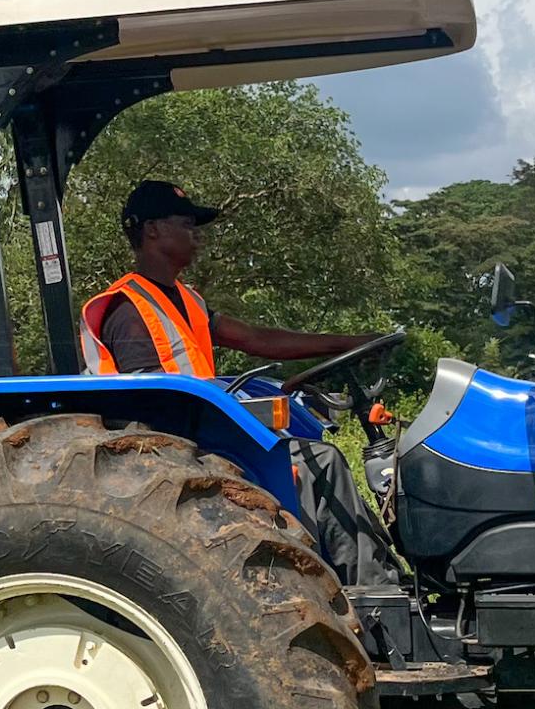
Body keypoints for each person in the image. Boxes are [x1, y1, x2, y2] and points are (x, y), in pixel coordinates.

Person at [81, 178, 400, 584]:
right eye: (186, 222)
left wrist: (352, 343)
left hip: (206, 438)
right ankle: (372, 591)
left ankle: (375, 581)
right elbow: (149, 404)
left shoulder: (186, 299)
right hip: (175, 453)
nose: (196, 234)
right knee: (320, 461)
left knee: (318, 455)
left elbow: (256, 339)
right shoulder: (127, 310)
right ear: (152, 229)